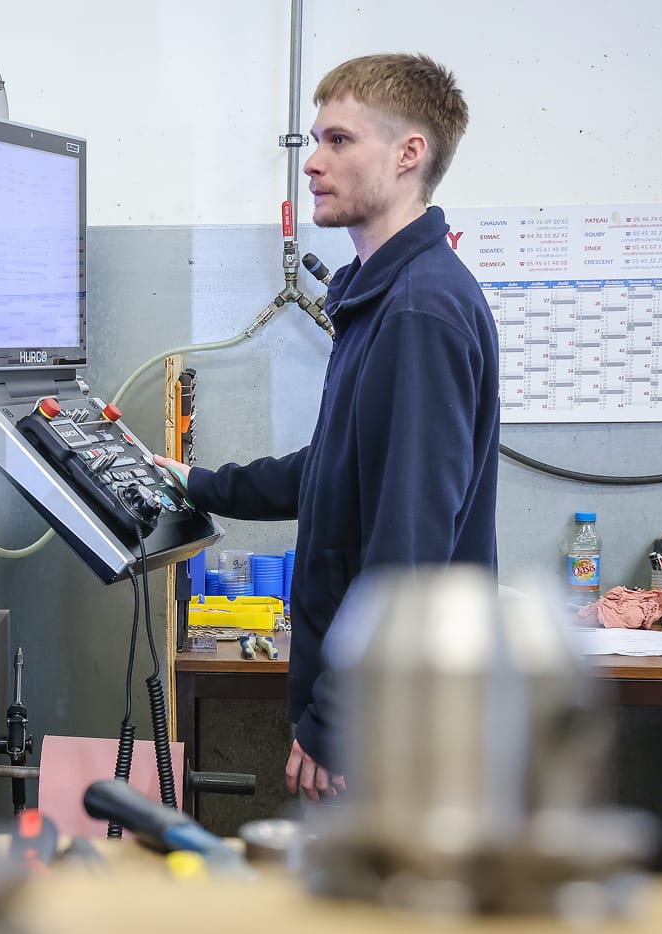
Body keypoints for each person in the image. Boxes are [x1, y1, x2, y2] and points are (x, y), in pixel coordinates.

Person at [153, 53, 499, 800]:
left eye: (338, 141)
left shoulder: (417, 311)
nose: (310, 162)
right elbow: (340, 468)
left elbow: (409, 542)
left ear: (409, 154)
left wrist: (340, 715)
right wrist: (198, 484)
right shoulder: (385, 296)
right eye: (314, 140)